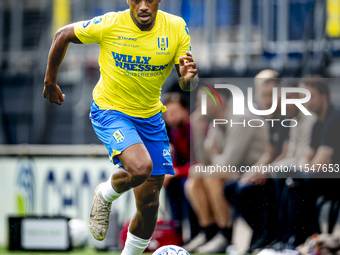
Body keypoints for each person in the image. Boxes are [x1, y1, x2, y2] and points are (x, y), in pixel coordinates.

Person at [43, 1, 198, 255]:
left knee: (149, 204)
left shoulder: (176, 28)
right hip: (110, 111)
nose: (144, 6)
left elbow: (187, 83)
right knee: (141, 167)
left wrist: (189, 78)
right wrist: (50, 80)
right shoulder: (110, 24)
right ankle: (105, 194)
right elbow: (62, 35)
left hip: (150, 118)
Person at [184, 87, 268, 253]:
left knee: (211, 173)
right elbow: (204, 161)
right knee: (196, 172)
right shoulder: (217, 121)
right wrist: (198, 131)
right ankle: (209, 232)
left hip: (253, 170)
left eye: (202, 100)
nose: (198, 106)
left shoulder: (240, 117)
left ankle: (225, 234)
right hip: (234, 169)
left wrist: (214, 153)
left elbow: (228, 162)